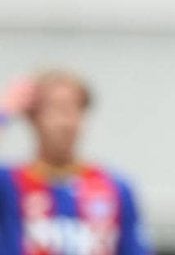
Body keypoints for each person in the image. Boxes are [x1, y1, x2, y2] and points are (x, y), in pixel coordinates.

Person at [0, 70, 152, 254]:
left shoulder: (114, 187)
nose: (65, 122)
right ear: (33, 117)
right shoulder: (8, 183)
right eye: (55, 109)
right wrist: (4, 111)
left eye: (74, 109)